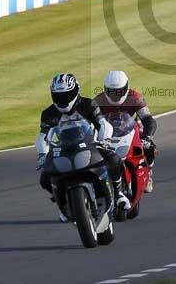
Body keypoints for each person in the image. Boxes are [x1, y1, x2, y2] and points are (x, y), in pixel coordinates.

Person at [36, 73, 131, 220]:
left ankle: (118, 192)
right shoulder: (48, 113)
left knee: (114, 160)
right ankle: (64, 203)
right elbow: (43, 137)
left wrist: (104, 140)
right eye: (59, 96)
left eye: (67, 95)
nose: (63, 100)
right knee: (45, 178)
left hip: (90, 144)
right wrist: (43, 155)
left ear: (76, 91)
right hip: (62, 149)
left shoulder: (88, 104)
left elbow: (103, 124)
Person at [92, 70, 158, 193]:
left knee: (150, 148)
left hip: (131, 131)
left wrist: (148, 136)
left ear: (126, 88)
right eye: (111, 92)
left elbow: (148, 119)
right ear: (105, 90)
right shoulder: (97, 101)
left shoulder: (135, 97)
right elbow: (90, 123)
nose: (115, 95)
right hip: (108, 135)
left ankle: (148, 173)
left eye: (119, 92)